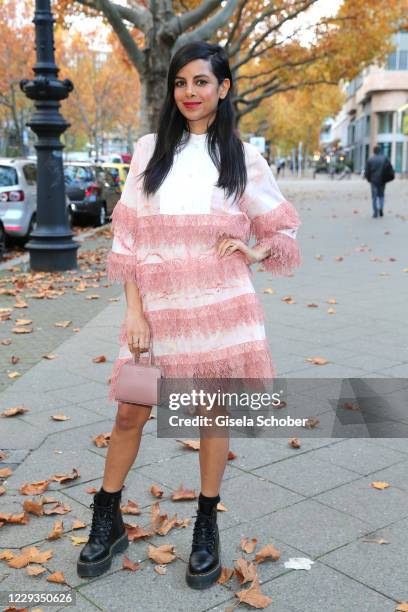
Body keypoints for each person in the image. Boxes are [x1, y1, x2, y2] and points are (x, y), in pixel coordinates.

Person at [77, 41, 301, 589]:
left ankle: (206, 525)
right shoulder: (149, 150)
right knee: (130, 412)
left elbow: (282, 230)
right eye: (181, 83)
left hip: (222, 306)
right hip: (155, 310)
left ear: (223, 88)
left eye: (202, 82)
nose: (190, 93)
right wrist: (133, 311)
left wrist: (253, 251)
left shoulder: (244, 159)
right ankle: (106, 520)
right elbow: (126, 238)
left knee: (210, 418)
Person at [364, 144, 394, 218]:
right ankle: (381, 207)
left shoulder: (370, 159)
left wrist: (369, 179)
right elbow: (389, 169)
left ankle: (375, 212)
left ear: (374, 151)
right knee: (381, 195)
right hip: (382, 180)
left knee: (374, 196)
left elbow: (367, 171)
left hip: (373, 180)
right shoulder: (385, 158)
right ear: (380, 151)